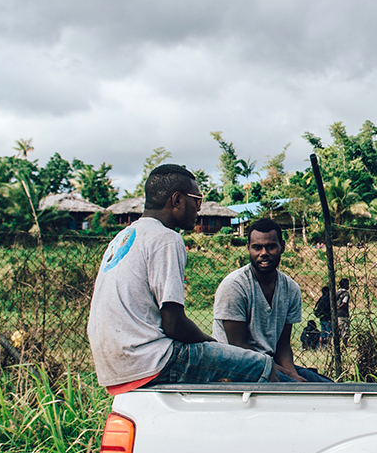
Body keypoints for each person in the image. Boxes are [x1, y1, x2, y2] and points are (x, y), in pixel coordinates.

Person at [87, 163, 274, 392]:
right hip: (150, 360)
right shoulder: (166, 238)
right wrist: (210, 342)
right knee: (261, 364)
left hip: (114, 367)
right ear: (177, 200)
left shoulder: (124, 236)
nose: (199, 209)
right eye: (197, 200)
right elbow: (173, 323)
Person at [213, 218, 332, 382]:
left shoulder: (290, 288)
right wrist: (290, 377)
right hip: (237, 366)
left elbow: (283, 344)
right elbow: (238, 347)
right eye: (257, 247)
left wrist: (293, 374)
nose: (263, 253)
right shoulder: (234, 286)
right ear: (248, 248)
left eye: (270, 247)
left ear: (282, 247)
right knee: (298, 391)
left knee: (326, 387)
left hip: (271, 364)